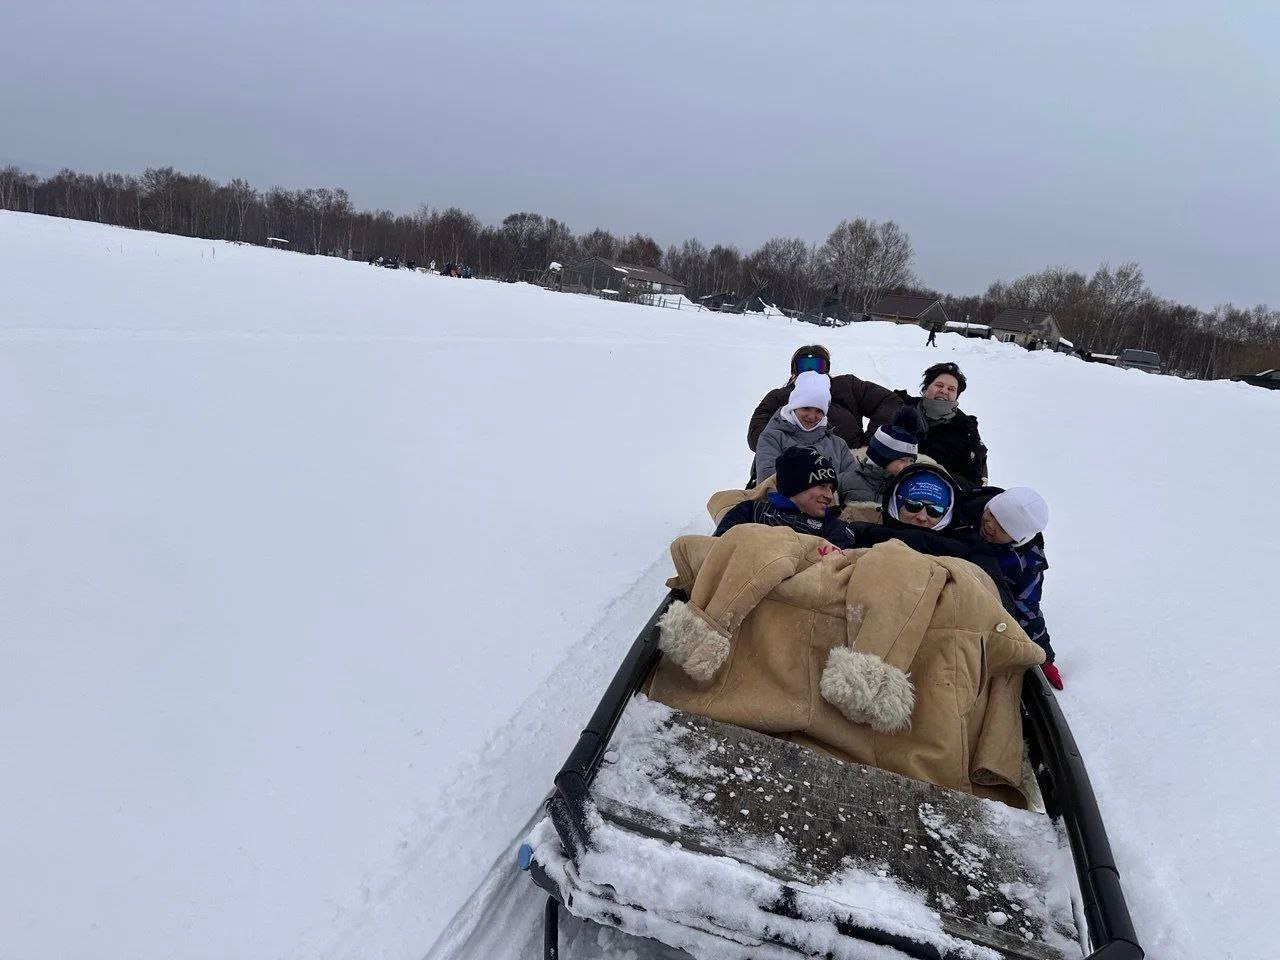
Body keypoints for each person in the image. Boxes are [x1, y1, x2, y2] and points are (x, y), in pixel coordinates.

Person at [949, 486, 1059, 688]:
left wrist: (1045, 657)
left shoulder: (1023, 564)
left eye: (1004, 528)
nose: (990, 525)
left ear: (1018, 539)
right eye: (992, 514)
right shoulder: (960, 510)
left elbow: (1027, 606)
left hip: (970, 610)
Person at [748, 345, 900, 453]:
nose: (811, 371)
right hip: (794, 473)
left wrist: (870, 445)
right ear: (794, 370)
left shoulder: (847, 386)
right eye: (804, 366)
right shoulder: (779, 397)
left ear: (826, 369)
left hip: (847, 467)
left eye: (818, 366)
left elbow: (890, 402)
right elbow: (756, 437)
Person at [753, 371, 863, 504]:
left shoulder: (838, 445)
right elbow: (767, 482)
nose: (811, 416)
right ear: (794, 406)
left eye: (819, 411)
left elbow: (852, 484)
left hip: (831, 514)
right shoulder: (772, 437)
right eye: (806, 408)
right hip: (783, 512)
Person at [714, 446, 855, 548]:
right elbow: (717, 550)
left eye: (831, 489)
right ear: (796, 485)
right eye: (822, 486)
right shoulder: (751, 510)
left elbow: (839, 563)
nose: (829, 495)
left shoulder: (831, 524)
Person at [893, 362, 987, 488]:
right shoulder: (899, 406)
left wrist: (935, 473)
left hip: (934, 496)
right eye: (939, 385)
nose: (944, 391)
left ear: (956, 396)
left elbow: (973, 483)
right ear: (925, 388)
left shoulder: (966, 429)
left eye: (951, 389)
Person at [841, 406, 924, 505]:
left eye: (911, 461)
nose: (908, 466)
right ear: (881, 458)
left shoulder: (909, 490)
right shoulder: (844, 482)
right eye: (902, 460)